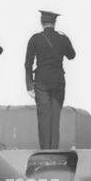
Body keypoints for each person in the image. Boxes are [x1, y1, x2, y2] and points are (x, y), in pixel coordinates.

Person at [24, 9, 76, 149]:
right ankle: (54, 150)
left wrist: (29, 85)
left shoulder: (35, 38)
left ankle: (45, 150)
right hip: (58, 81)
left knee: (43, 117)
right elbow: (72, 55)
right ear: (55, 23)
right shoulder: (62, 38)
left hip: (41, 82)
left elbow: (28, 63)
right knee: (55, 117)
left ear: (42, 23)